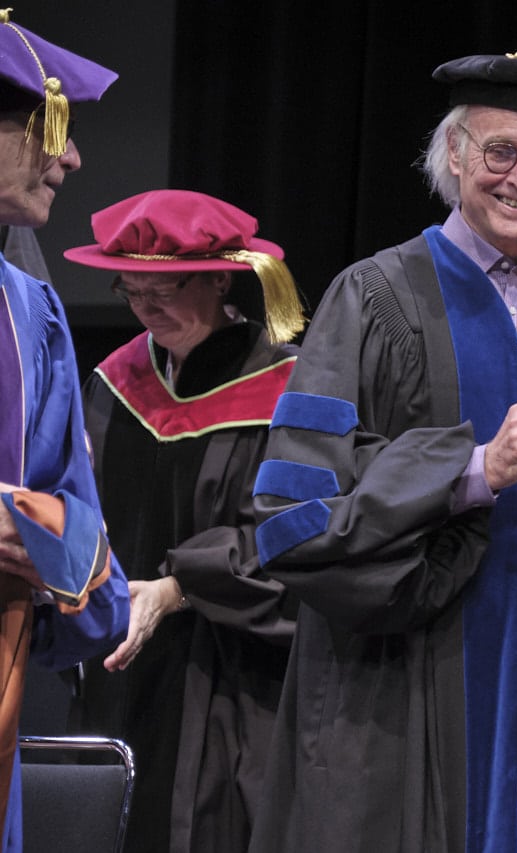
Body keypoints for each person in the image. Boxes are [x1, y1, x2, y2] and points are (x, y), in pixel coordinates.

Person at [248, 51, 517, 853]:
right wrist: (475, 470)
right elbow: (291, 519)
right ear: (454, 153)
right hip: (398, 693)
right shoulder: (371, 300)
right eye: (500, 150)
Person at [62, 189, 306, 853]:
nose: (146, 307)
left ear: (221, 279)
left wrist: (177, 588)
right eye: (130, 289)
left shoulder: (290, 392)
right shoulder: (114, 384)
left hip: (233, 682)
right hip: (119, 670)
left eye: (165, 288)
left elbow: (299, 538)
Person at [0, 9, 130, 850]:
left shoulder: (29, 310)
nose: (72, 158)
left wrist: (40, 527)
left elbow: (78, 525)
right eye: (48, 131)